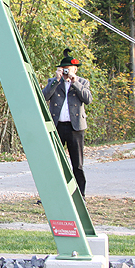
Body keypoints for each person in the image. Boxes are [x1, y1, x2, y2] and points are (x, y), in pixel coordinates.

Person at [42, 49, 92, 196]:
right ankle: (53, 193)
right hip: (57, 126)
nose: (65, 72)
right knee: (54, 162)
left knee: (77, 164)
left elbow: (87, 99)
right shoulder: (53, 82)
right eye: (63, 70)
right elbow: (44, 96)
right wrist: (57, 81)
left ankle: (80, 194)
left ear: (75, 70)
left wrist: (74, 81)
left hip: (75, 128)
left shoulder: (82, 82)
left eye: (68, 70)